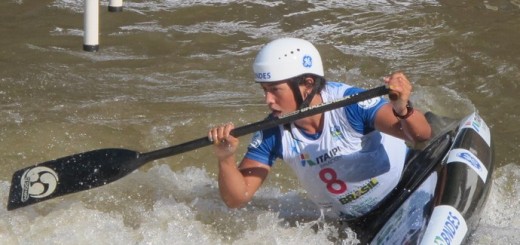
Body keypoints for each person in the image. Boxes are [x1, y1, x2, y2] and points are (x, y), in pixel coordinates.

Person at [207, 37, 432, 220]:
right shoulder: (272, 133)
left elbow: (420, 135)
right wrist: (226, 159)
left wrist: (402, 108)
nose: (268, 100)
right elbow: (237, 199)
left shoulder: (350, 103)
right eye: (264, 90)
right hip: (354, 221)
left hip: (406, 184)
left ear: (308, 84)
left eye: (275, 90)